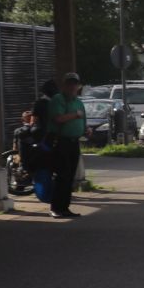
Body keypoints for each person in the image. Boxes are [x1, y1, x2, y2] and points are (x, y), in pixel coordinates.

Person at [44, 72, 87, 218]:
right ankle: (56, 207)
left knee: (69, 177)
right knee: (62, 175)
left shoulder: (78, 102)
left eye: (75, 84)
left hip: (73, 142)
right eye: (69, 83)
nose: (72, 86)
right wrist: (76, 115)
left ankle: (65, 207)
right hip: (61, 142)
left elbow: (82, 120)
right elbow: (58, 118)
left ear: (78, 86)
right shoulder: (58, 99)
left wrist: (86, 130)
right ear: (65, 85)